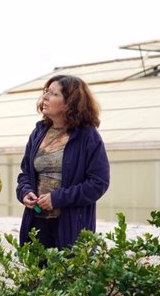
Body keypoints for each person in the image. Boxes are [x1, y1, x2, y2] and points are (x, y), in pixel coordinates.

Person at [16, 74, 110, 250]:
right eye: (46, 92)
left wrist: (57, 199)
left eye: (53, 93)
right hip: (37, 223)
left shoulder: (88, 137)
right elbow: (25, 174)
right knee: (36, 277)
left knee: (68, 276)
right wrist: (25, 192)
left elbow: (99, 183)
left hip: (71, 227)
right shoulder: (38, 133)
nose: (45, 97)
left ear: (69, 103)